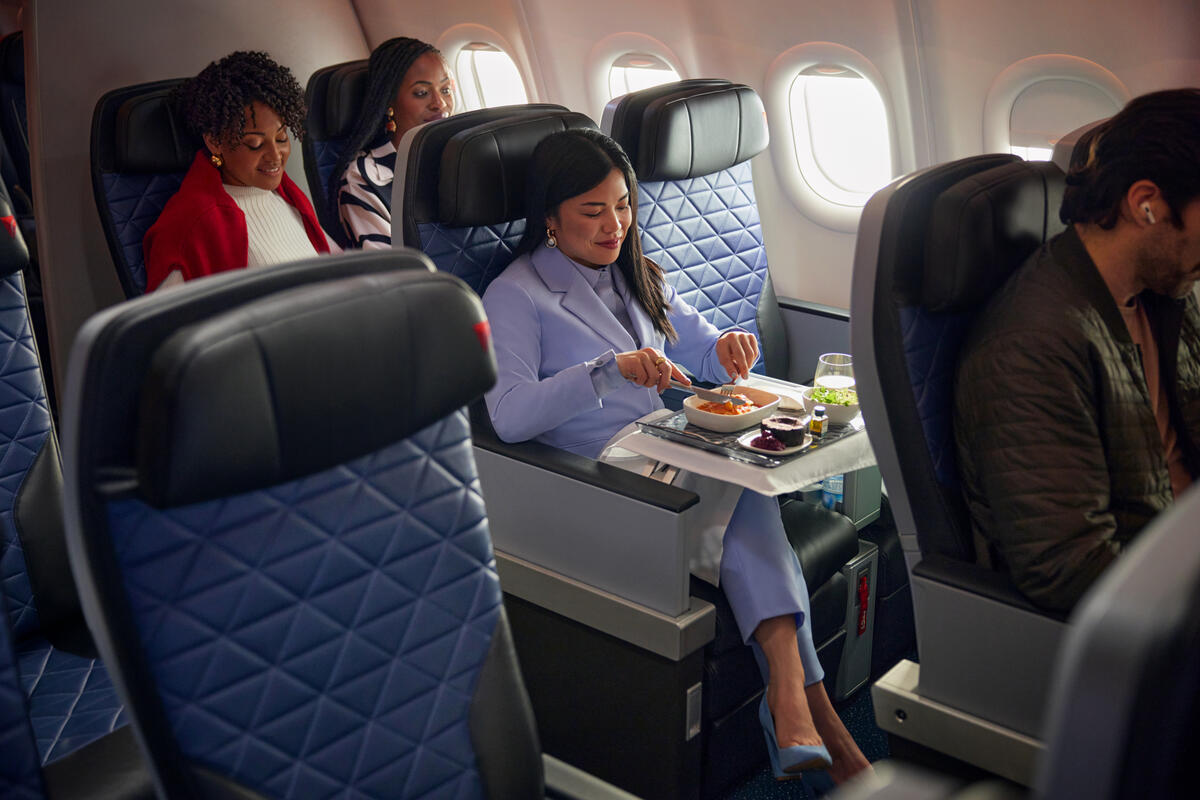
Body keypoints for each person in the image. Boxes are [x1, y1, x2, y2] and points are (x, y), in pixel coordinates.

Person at [481, 128, 871, 784]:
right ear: (549, 218)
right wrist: (606, 371)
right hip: (603, 476)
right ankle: (815, 721)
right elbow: (510, 417)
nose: (616, 225)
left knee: (750, 479)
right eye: (593, 210)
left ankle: (795, 707)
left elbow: (698, 344)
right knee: (748, 488)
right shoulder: (514, 295)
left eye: (625, 205)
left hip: (666, 449)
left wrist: (727, 349)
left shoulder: (633, 269)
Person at [954, 89, 1200, 613]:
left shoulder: (1166, 291)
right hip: (1147, 611)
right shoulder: (1032, 348)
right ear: (1146, 204)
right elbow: (1070, 567)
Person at [143, 51, 332, 292]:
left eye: (282, 138)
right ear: (215, 142)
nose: (276, 157)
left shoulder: (284, 193)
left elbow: (332, 265)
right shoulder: (190, 223)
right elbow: (166, 322)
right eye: (255, 144)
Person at [330, 37, 454, 249]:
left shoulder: (466, 156)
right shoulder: (363, 180)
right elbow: (394, 270)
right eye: (422, 93)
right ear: (390, 102)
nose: (439, 103)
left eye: (445, 89)